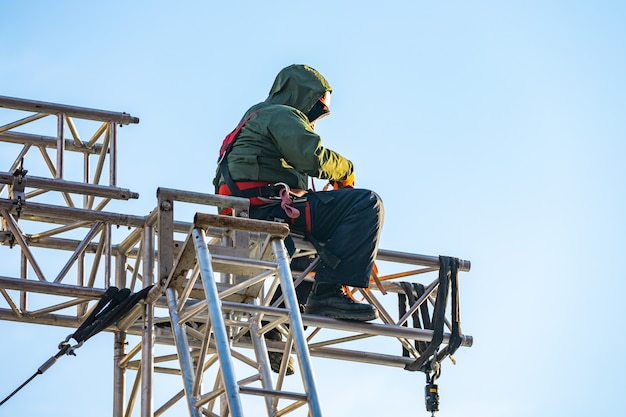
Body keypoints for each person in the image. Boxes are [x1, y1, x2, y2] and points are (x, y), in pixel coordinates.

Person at [213, 64, 383, 322]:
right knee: (366, 203)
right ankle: (329, 292)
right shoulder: (281, 114)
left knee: (307, 261)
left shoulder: (255, 116)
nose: (314, 117)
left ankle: (275, 333)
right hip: (267, 209)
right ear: (302, 95)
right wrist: (345, 170)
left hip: (252, 209)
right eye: (316, 106)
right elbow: (312, 158)